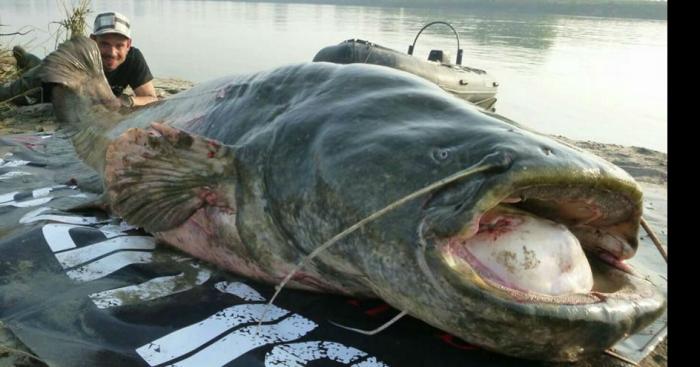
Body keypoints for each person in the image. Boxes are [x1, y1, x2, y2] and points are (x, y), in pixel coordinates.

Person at [0, 11, 157, 108]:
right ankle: (25, 59)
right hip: (48, 78)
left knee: (34, 65)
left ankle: (27, 60)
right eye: (104, 44)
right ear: (93, 40)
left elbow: (151, 98)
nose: (112, 52)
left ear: (129, 44)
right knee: (7, 95)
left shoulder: (134, 58)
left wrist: (125, 101)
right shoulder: (78, 59)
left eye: (119, 45)